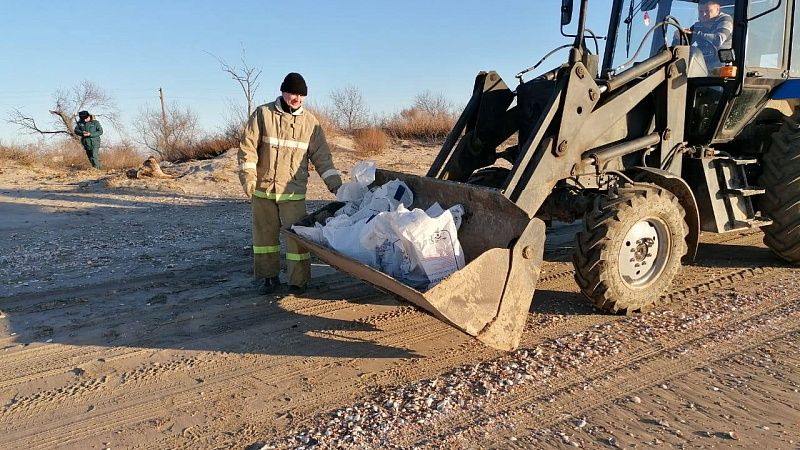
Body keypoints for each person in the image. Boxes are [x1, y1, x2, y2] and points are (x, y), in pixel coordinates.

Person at [238, 72, 343, 295]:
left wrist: (335, 185)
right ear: (283, 92)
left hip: (292, 192)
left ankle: (299, 280)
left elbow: (323, 157)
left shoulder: (310, 124)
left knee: (297, 238)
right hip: (263, 190)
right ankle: (267, 278)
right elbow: (247, 149)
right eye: (292, 93)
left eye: (300, 95)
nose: (296, 98)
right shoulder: (263, 115)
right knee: (264, 237)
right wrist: (248, 179)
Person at [680, 0, 734, 71]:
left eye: (707, 11)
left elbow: (718, 39)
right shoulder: (698, 25)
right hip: (701, 67)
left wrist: (695, 33)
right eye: (701, 12)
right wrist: (679, 36)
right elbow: (683, 45)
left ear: (717, 9)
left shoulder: (725, 20)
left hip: (722, 69)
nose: (704, 14)